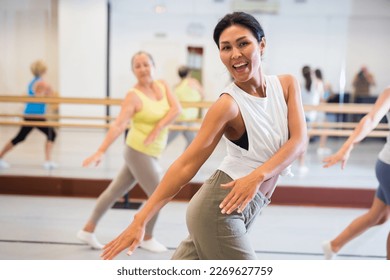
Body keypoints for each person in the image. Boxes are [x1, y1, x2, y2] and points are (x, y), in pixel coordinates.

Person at [101, 12, 307, 260]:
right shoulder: (228, 105)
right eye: (226, 48)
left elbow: (299, 141)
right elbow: (186, 164)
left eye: (243, 43)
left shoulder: (286, 85)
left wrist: (257, 177)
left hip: (248, 203)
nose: (235, 54)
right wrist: (140, 218)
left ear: (261, 45)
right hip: (219, 211)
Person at [77, 51, 181, 252]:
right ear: (133, 71)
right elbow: (118, 125)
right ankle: (147, 236)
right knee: (159, 194)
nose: (143, 69)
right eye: (137, 66)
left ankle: (87, 230)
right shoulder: (133, 96)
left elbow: (176, 109)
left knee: (114, 191)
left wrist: (157, 128)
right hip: (137, 151)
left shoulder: (162, 85)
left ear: (154, 65)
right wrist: (101, 150)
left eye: (146, 64)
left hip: (151, 151)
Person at [322, 87, 390, 260]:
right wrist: (348, 146)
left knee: (379, 216)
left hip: (385, 165)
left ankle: (333, 245)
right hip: (388, 167)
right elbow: (371, 119)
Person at [0, 60, 57, 170]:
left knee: (21, 137)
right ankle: (48, 161)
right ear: (43, 70)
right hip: (35, 115)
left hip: (31, 114)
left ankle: (48, 160)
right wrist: (49, 92)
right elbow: (45, 96)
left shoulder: (33, 81)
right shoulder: (41, 82)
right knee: (51, 134)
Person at [167, 66, 204, 149]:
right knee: (192, 141)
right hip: (188, 117)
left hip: (180, 117)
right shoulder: (193, 82)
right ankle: (152, 153)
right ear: (189, 73)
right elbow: (203, 94)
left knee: (192, 141)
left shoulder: (176, 86)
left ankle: (185, 160)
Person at [297, 65, 321, 175]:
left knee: (300, 140)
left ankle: (300, 163)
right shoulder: (317, 84)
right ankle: (301, 164)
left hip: (301, 114)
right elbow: (320, 97)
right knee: (304, 141)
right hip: (310, 116)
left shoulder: (300, 84)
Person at [314, 68, 333, 156]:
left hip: (314, 110)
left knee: (312, 129)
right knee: (325, 128)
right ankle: (321, 147)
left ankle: (321, 147)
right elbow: (322, 99)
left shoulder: (313, 83)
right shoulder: (320, 83)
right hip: (319, 109)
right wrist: (328, 92)